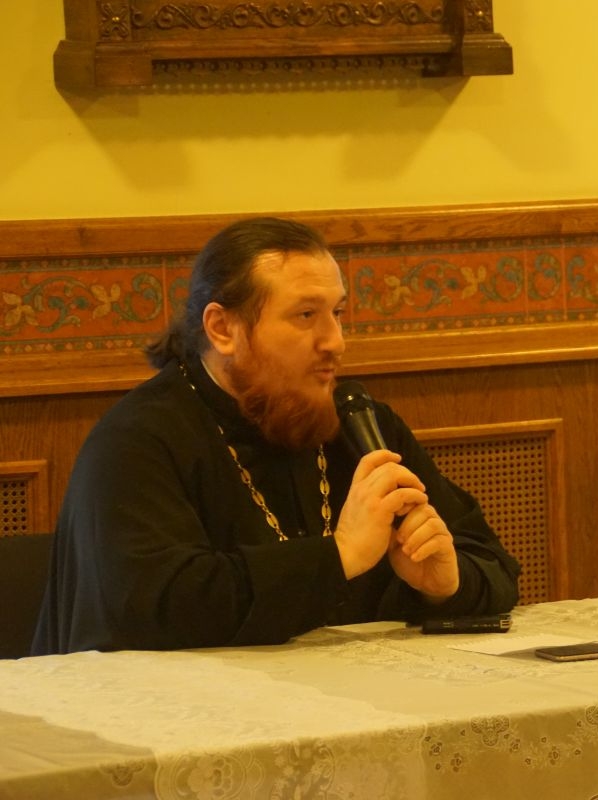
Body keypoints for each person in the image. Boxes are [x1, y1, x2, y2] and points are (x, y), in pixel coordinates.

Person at [33, 217, 520, 654]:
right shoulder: (136, 441)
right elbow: (158, 608)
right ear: (222, 328)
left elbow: (493, 563)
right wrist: (339, 556)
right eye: (306, 315)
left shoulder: (361, 425)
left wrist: (445, 584)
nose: (335, 342)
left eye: (337, 313)